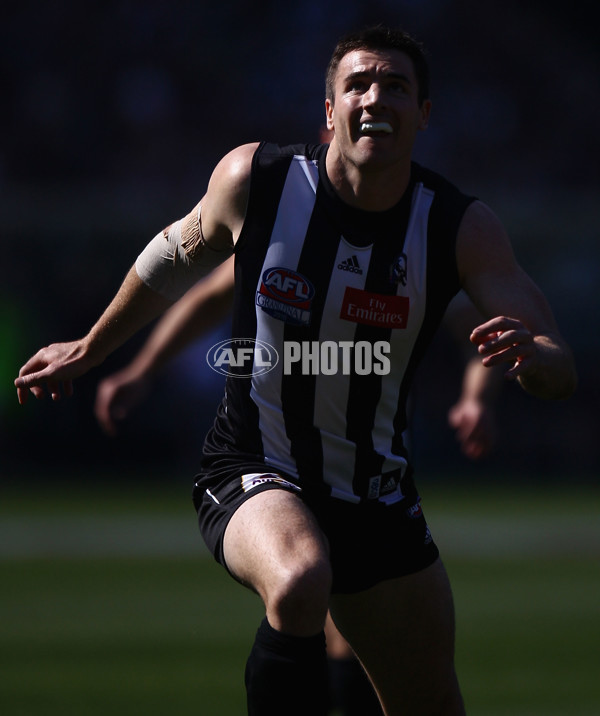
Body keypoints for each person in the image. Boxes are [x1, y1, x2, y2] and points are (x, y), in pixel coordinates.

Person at [15, 25, 577, 716]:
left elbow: (558, 365)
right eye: (359, 84)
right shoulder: (261, 181)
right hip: (255, 465)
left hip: (377, 495)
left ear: (424, 114)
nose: (376, 97)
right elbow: (173, 258)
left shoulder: (459, 227)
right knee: (301, 578)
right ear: (330, 110)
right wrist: (98, 347)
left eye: (396, 86)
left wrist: (533, 360)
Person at [92, 257, 500, 716]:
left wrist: (475, 397)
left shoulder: (418, 238)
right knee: (301, 583)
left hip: (365, 470)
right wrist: (142, 369)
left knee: (358, 645)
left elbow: (479, 333)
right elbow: (212, 293)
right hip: (271, 459)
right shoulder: (288, 213)